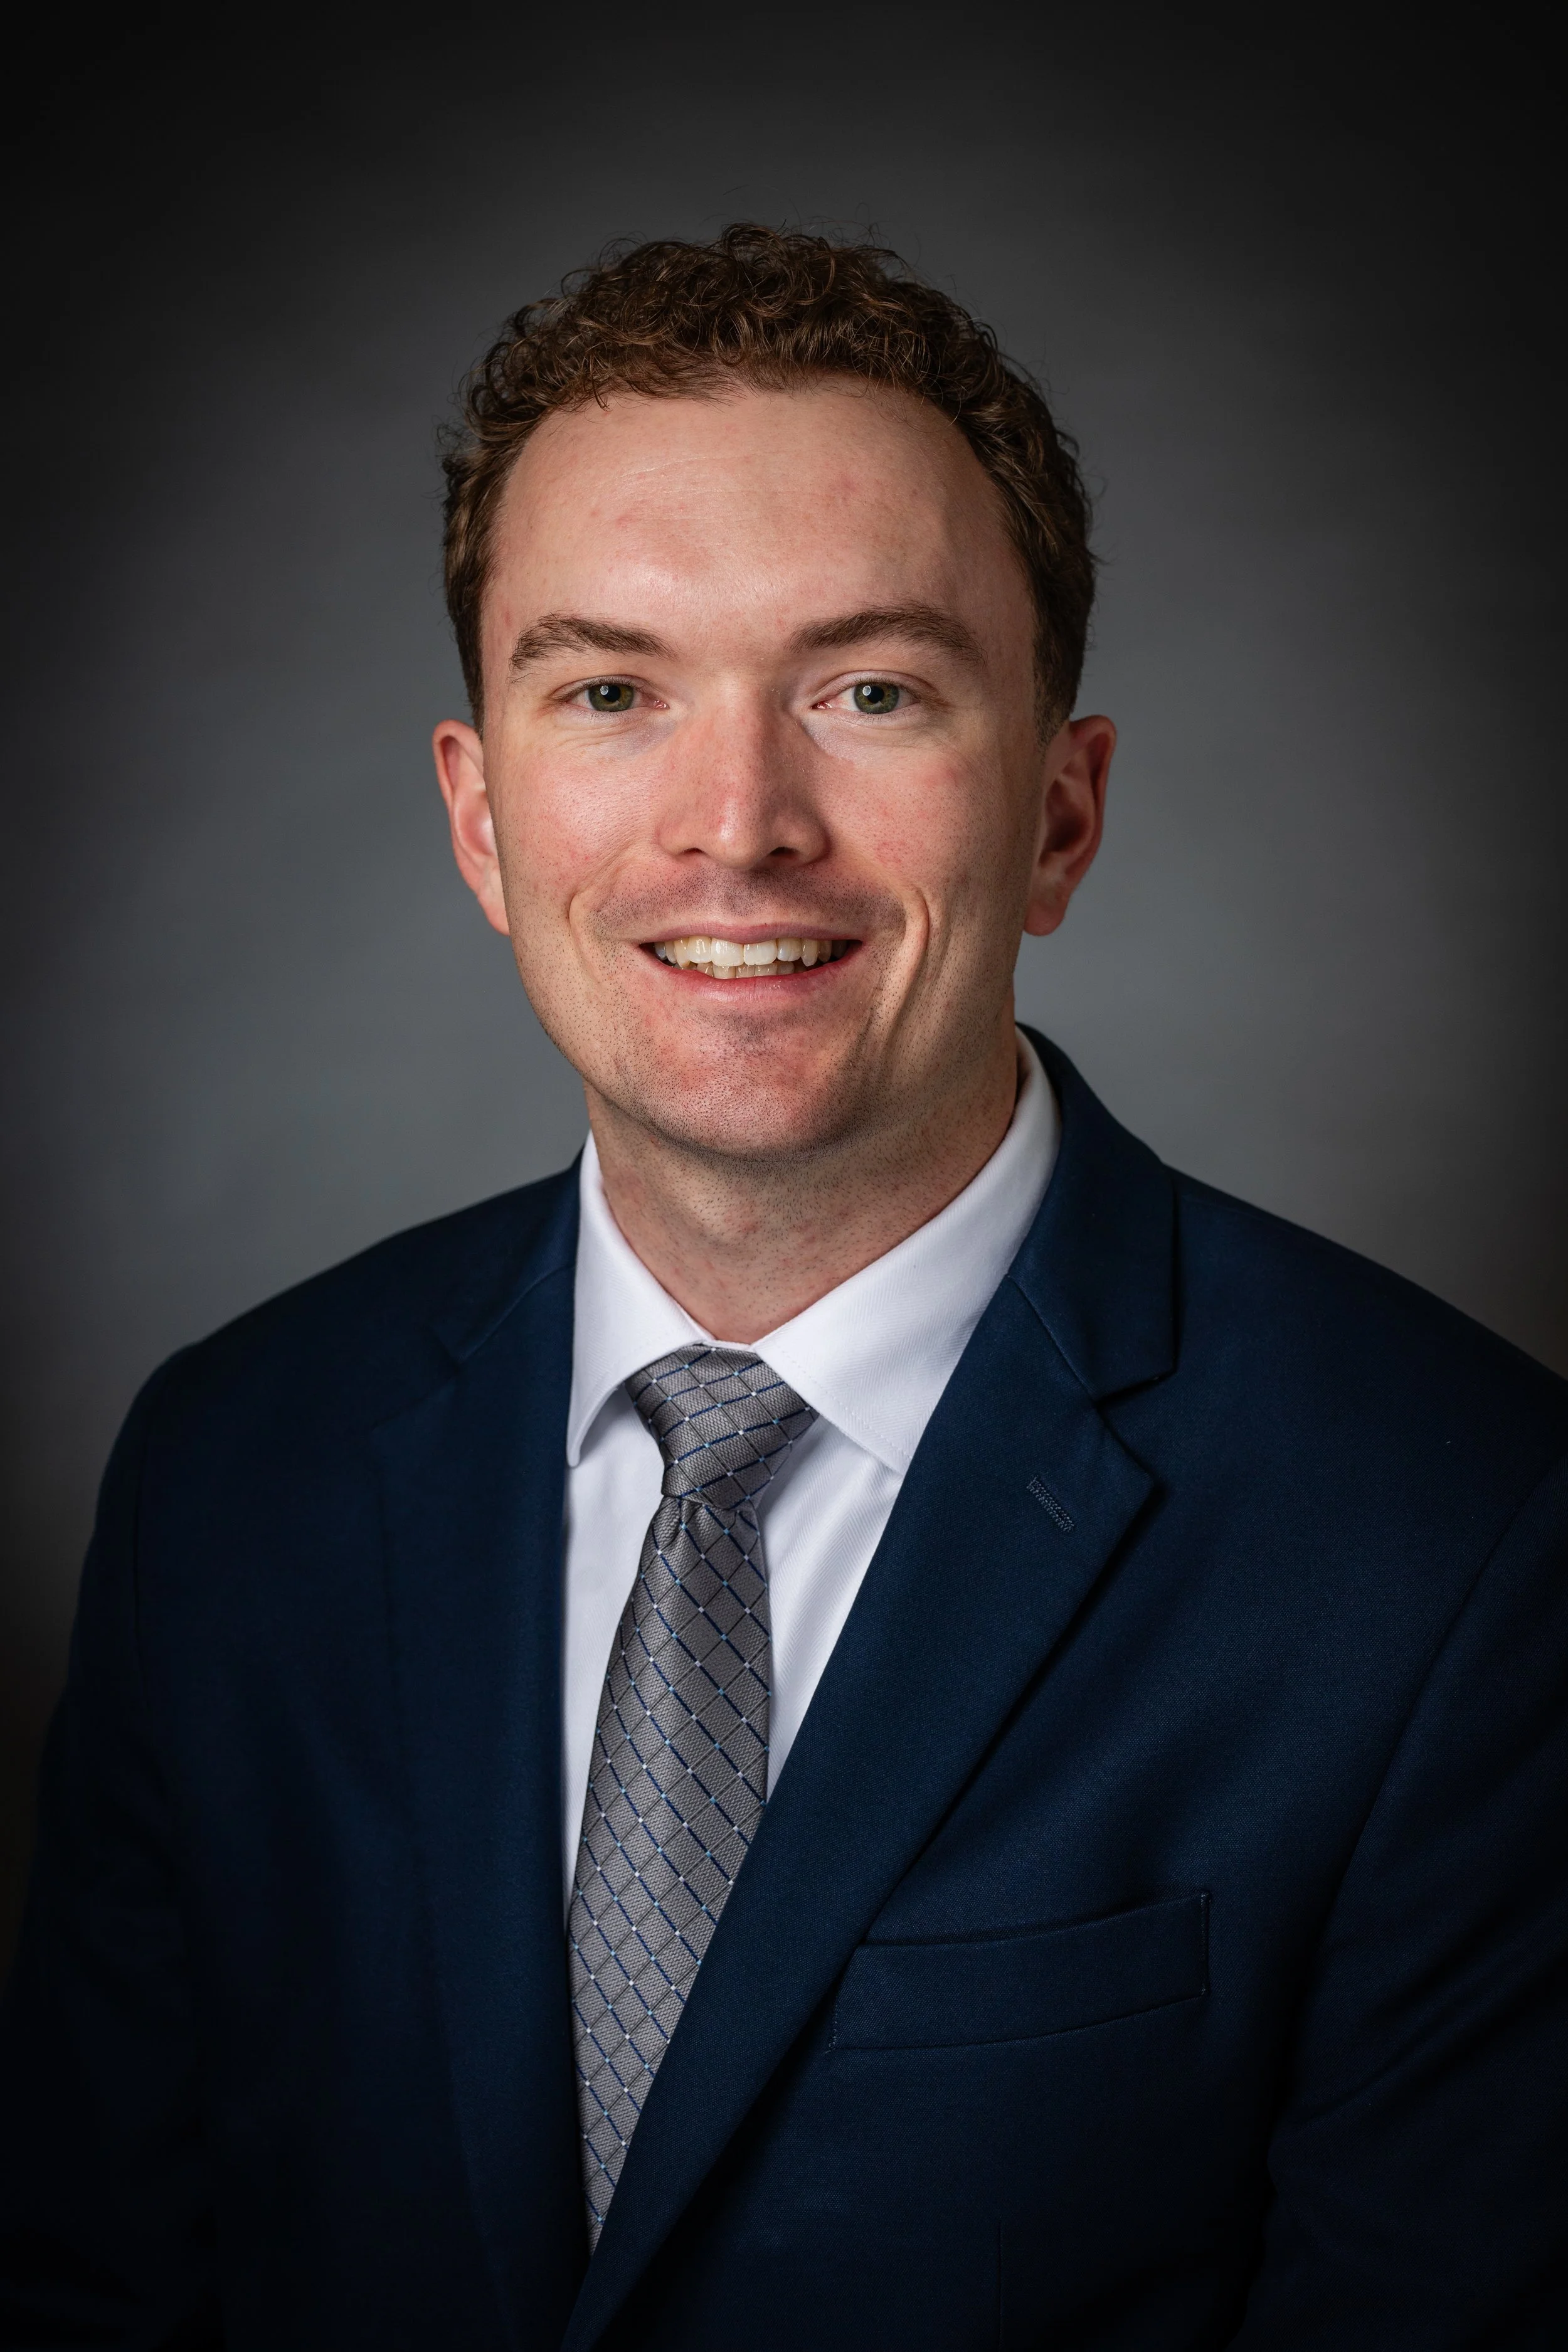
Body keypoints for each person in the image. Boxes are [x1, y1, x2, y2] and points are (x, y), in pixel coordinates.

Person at [1, 224, 1564, 2352]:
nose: (735, 827)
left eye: (871, 690)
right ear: (480, 819)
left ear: (1060, 815)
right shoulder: (228, 1468)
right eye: (611, 691)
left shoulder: (1460, 1537)